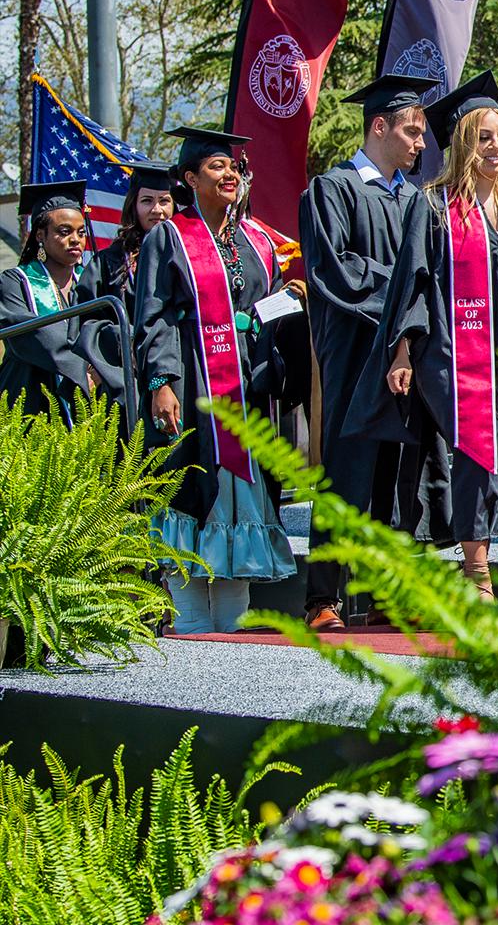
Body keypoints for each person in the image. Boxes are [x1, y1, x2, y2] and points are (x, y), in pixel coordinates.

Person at [346, 71, 498, 599]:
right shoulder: (432, 207)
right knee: (476, 450)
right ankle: (477, 575)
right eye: (484, 137)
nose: (496, 147)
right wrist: (403, 350)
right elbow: (413, 279)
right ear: (462, 142)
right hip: (452, 354)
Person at [136, 126, 299, 634]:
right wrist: (161, 380)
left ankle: (230, 635)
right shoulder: (169, 236)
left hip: (245, 392)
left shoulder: (256, 240)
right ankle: (187, 627)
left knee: (240, 502)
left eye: (233, 167)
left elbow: (257, 308)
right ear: (190, 179)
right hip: (191, 386)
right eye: (216, 167)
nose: (230, 174)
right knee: (192, 494)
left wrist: (284, 298)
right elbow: (155, 315)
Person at [298, 73, 436, 631]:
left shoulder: (415, 201)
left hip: (404, 354)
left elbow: (430, 274)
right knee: (346, 468)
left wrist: (413, 318)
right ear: (379, 127)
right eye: (412, 132)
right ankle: (321, 599)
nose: (421, 143)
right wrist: (405, 293)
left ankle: (384, 591)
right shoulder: (331, 190)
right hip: (356, 352)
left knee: (393, 472)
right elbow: (337, 271)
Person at [76, 161, 177, 406]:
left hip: (183, 368)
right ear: (133, 206)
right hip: (128, 377)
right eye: (147, 201)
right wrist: (123, 338)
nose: (157, 210)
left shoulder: (189, 256)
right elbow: (89, 320)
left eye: (164, 201)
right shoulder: (109, 262)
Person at [0, 180, 96, 417]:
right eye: (64, 232)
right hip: (29, 397)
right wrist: (80, 368)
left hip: (87, 396)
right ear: (40, 235)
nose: (75, 239)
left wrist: (100, 369)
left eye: (81, 232)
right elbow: (27, 333)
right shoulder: (15, 281)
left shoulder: (90, 283)